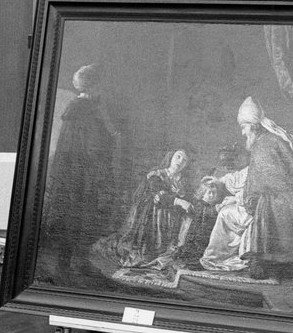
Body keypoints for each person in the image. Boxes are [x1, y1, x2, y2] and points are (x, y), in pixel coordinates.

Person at [199, 97, 293, 279]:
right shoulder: (271, 139)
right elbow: (256, 177)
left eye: (244, 127)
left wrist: (240, 199)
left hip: (276, 201)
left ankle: (216, 259)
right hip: (285, 197)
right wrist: (229, 186)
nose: (242, 133)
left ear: (254, 126)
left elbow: (263, 185)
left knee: (225, 214)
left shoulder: (263, 145)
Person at [38, 64, 119, 279]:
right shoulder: (86, 109)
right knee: (78, 214)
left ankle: (74, 263)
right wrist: (112, 139)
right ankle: (68, 265)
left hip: (74, 171)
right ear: (94, 85)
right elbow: (94, 145)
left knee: (79, 214)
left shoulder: (79, 107)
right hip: (84, 172)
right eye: (100, 85)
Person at [93, 149, 194, 270]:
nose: (180, 161)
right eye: (178, 156)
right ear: (171, 157)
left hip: (173, 219)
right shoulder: (156, 175)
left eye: (184, 160)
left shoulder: (183, 181)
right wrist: (180, 201)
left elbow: (189, 198)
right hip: (154, 215)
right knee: (147, 252)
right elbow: (159, 195)